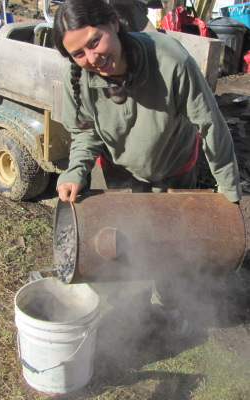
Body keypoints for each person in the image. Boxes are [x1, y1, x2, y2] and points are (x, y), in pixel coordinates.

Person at [52, 0, 242, 337]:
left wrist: (228, 191)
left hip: (174, 166)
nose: (92, 58)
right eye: (79, 53)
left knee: (174, 241)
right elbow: (84, 133)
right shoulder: (79, 79)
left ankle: (170, 305)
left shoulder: (171, 61)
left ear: (114, 24)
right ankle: (135, 307)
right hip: (121, 171)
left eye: (95, 41)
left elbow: (211, 125)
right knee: (126, 241)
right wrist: (74, 171)